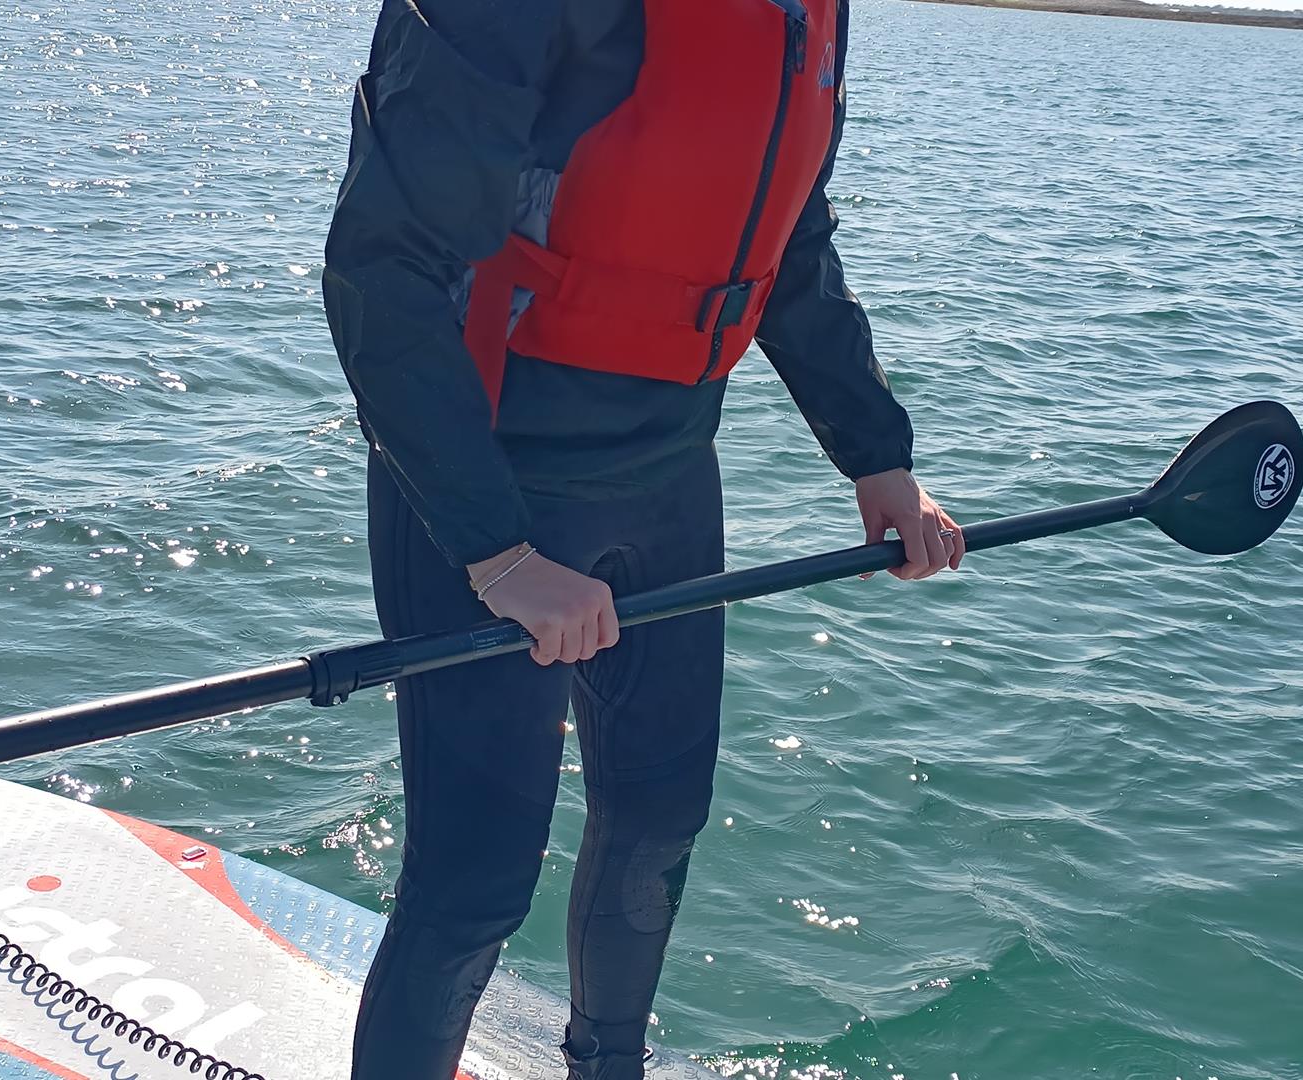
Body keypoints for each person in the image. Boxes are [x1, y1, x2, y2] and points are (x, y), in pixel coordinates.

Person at [322, 1, 963, 1077]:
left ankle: (608, 1064)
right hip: (495, 483)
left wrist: (877, 455)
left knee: (661, 821)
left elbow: (787, 236)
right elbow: (379, 268)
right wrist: (499, 554)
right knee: (472, 881)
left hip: (668, 476)